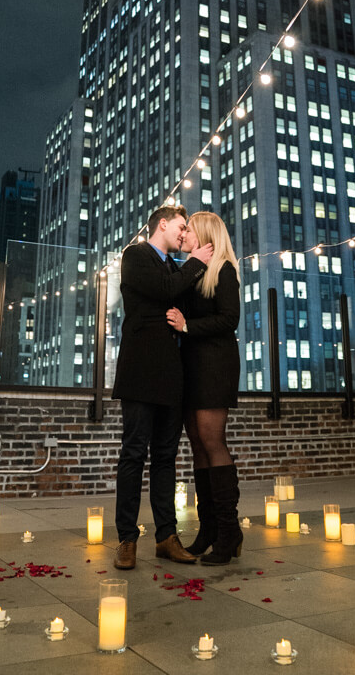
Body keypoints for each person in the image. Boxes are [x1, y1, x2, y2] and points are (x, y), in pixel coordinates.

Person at [112, 205, 213, 571]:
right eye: (182, 227)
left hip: (172, 375)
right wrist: (197, 260)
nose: (185, 234)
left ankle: (166, 537)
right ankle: (126, 538)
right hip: (141, 373)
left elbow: (183, 299)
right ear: (164, 224)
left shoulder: (175, 266)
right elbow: (163, 289)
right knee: (134, 453)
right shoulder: (135, 255)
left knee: (166, 458)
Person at [166, 211, 242, 565]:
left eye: (188, 231)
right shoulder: (193, 271)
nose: (183, 237)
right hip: (190, 367)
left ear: (206, 235)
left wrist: (187, 327)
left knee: (213, 442)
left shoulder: (224, 270)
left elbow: (230, 319)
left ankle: (229, 531)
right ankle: (208, 529)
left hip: (215, 364)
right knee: (196, 443)